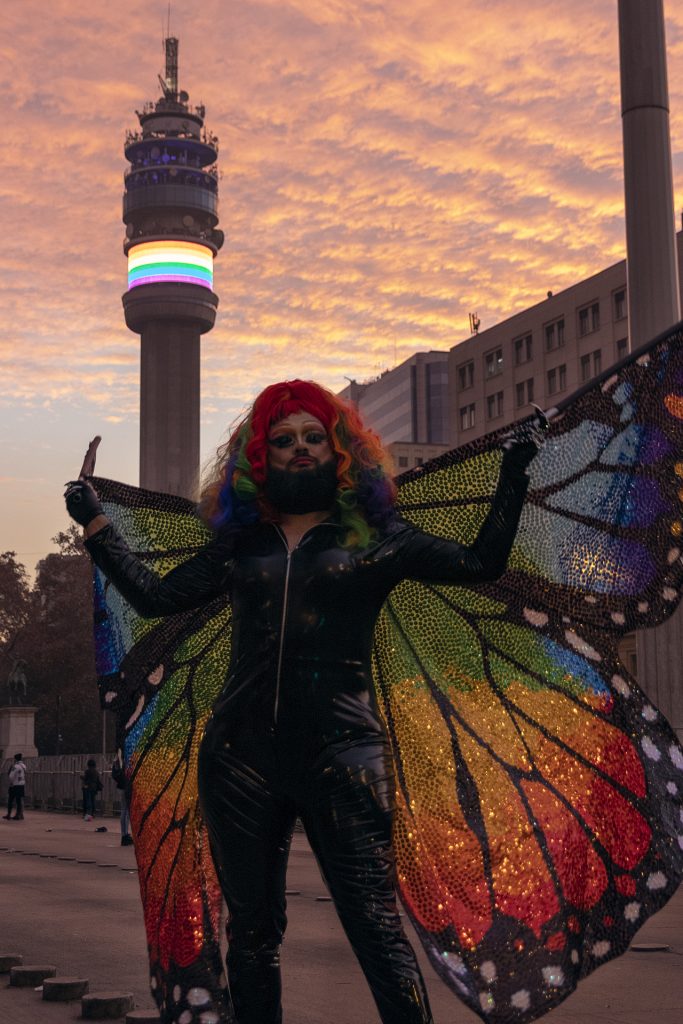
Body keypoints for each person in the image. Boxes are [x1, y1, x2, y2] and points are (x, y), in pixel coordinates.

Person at [65, 379, 544, 1024]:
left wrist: (515, 469)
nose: (299, 450)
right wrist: (97, 526)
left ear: (341, 450)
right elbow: (154, 598)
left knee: (375, 928)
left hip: (344, 756)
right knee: (254, 938)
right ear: (259, 457)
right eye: (282, 439)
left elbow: (482, 561)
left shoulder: (379, 536)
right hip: (238, 760)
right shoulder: (242, 545)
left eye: (313, 437)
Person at [111, 755, 133, 846]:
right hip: (126, 786)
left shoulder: (118, 758)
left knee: (123, 810)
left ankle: (123, 834)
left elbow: (114, 773)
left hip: (120, 786)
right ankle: (125, 834)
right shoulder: (127, 758)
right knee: (127, 811)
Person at [4, 753, 27, 820]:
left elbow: (11, 776)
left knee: (10, 800)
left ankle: (9, 814)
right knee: (19, 800)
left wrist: (11, 783)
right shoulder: (24, 766)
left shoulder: (15, 766)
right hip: (21, 785)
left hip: (15, 785)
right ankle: (19, 815)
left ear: (15, 759)